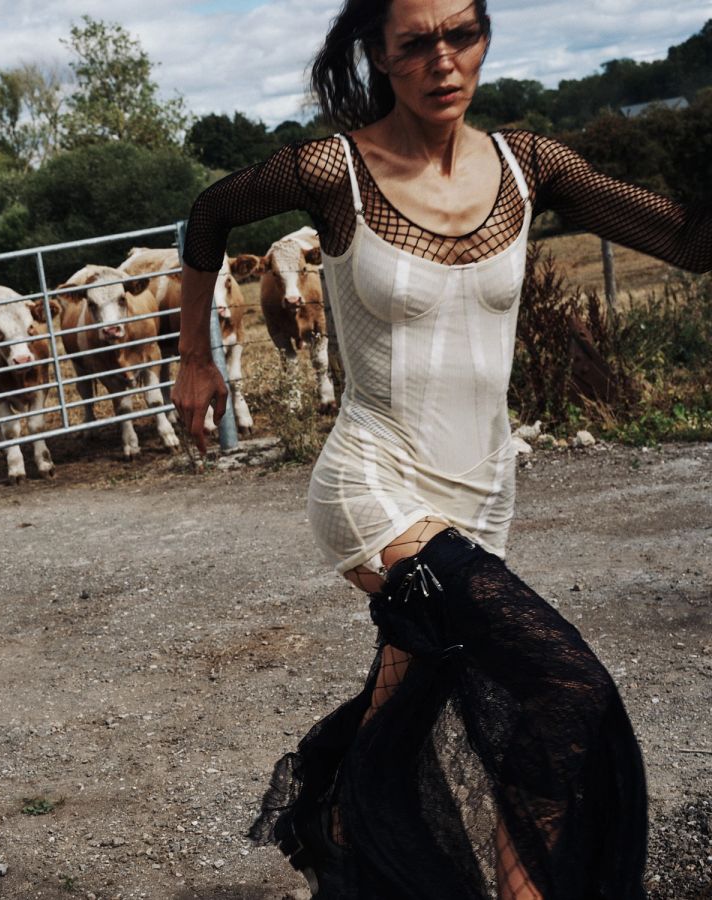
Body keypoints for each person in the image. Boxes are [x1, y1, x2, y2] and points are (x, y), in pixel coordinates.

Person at [173, 0, 711, 897]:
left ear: (485, 39)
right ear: (379, 55)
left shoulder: (528, 164)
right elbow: (209, 211)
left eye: (461, 34)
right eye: (416, 43)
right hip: (373, 483)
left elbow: (691, 241)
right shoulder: (332, 169)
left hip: (482, 494)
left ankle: (340, 830)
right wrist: (197, 357)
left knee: (412, 703)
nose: (443, 60)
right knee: (562, 688)